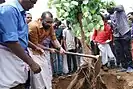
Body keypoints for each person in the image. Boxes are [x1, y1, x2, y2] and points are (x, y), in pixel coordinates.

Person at [0, 0, 41, 89]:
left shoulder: (20, 12)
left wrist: (34, 47)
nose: (33, 6)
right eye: (32, 2)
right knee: (12, 85)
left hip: (17, 56)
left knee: (20, 83)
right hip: (8, 56)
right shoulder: (9, 9)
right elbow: (11, 42)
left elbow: (20, 37)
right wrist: (31, 63)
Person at [28, 11, 65, 89]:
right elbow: (35, 44)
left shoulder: (50, 26)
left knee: (46, 72)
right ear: (41, 19)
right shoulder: (33, 26)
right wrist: (49, 49)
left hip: (41, 51)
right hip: (31, 51)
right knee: (37, 75)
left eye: (51, 22)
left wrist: (60, 48)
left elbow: (54, 39)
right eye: (47, 22)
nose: (50, 24)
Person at [107, 5, 133, 72]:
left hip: (125, 32)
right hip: (116, 35)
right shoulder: (110, 15)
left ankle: (130, 66)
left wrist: (113, 7)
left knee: (126, 50)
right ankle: (124, 66)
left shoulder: (120, 10)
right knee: (119, 51)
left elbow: (120, 7)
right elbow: (103, 17)